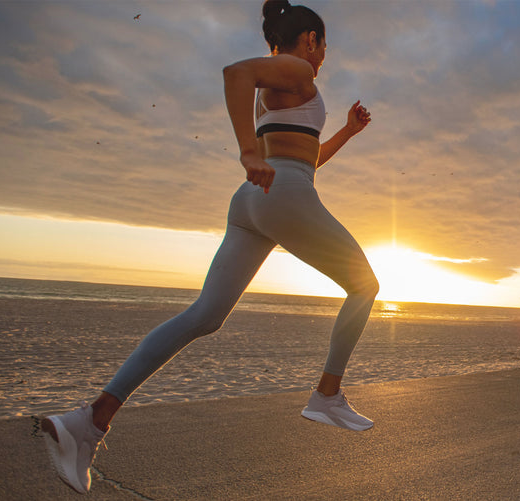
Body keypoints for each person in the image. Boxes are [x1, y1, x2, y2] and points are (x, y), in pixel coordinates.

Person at [40, 2, 379, 494]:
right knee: (365, 285)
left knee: (204, 315)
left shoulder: (284, 87)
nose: (324, 55)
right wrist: (245, 150)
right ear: (310, 39)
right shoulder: (299, 69)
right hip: (280, 192)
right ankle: (326, 395)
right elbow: (235, 73)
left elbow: (302, 156)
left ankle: (90, 420)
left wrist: (347, 131)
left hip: (254, 202)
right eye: (324, 44)